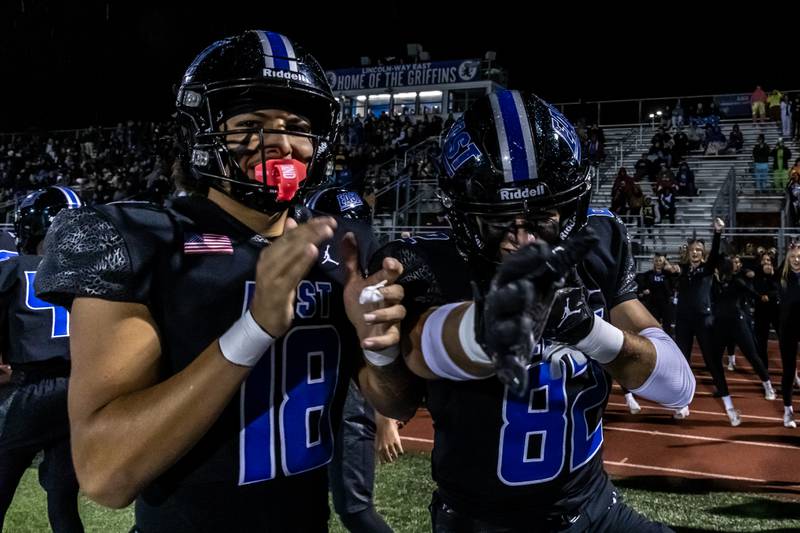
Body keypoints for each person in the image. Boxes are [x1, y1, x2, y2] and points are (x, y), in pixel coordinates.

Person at [35, 31, 420, 532]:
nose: (280, 142)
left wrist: (380, 350)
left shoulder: (341, 248)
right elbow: (106, 474)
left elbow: (396, 401)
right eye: (250, 124)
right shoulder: (140, 240)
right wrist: (254, 329)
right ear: (199, 133)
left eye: (297, 127)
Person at [374, 90, 690, 531]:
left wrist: (587, 330)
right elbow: (405, 385)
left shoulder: (596, 243)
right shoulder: (427, 265)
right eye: (498, 219)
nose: (523, 240)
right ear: (463, 216)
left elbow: (679, 388)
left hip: (596, 509)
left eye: (542, 216)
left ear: (570, 205)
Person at [0, 187, 84, 533]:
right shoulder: (90, 275)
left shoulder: (16, 268)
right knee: (63, 501)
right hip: (78, 391)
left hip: (32, 390)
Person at [709, 256, 776, 426]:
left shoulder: (736, 281)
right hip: (720, 325)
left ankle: (768, 385)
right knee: (714, 359)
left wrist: (761, 297)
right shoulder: (714, 284)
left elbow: (751, 292)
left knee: (752, 356)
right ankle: (723, 392)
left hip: (737, 324)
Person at [673, 220, 725, 419]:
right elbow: (671, 272)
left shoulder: (707, 268)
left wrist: (717, 233)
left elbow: (715, 254)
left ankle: (722, 388)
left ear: (703, 253)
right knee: (682, 359)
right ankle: (682, 402)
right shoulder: (683, 269)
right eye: (693, 250)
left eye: (699, 250)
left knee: (710, 357)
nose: (695, 252)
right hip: (683, 320)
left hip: (703, 319)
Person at [778, 242, 800, 428]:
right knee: (789, 370)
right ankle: (788, 411)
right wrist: (790, 248)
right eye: (792, 257)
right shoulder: (783, 276)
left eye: (799, 257)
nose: (796, 260)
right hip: (787, 329)